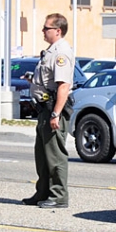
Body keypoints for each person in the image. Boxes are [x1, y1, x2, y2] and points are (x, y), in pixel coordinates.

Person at [22, 13, 75, 209]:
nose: (43, 31)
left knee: (54, 155)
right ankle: (43, 192)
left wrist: (56, 113)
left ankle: (59, 195)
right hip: (44, 108)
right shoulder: (51, 51)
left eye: (46, 28)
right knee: (42, 155)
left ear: (58, 31)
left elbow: (63, 86)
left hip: (53, 109)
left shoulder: (61, 53)